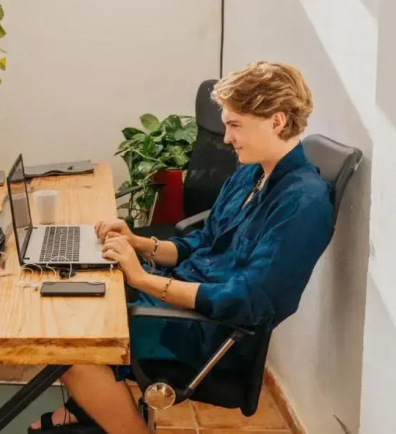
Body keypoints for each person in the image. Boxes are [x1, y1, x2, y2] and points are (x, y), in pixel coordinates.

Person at [29, 61, 335, 433]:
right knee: (76, 294)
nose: (226, 138)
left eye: (235, 125)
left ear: (277, 121)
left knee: (72, 343)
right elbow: (202, 242)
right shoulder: (251, 173)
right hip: (179, 301)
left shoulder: (303, 203)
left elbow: (251, 301)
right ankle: (89, 411)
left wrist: (143, 280)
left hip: (208, 333)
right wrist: (139, 243)